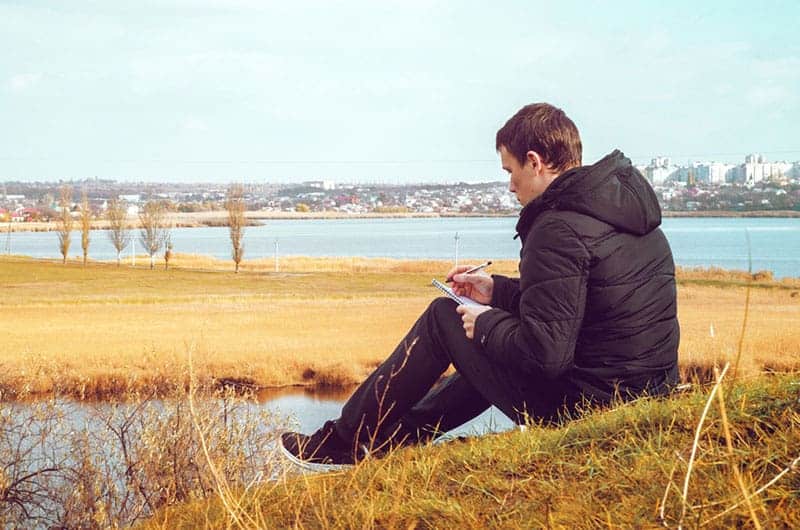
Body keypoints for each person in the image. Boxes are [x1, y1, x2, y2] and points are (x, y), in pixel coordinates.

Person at [280, 102, 680, 469]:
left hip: (587, 410)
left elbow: (546, 355)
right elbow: (576, 306)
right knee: (484, 345)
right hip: (644, 398)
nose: (510, 186)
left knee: (444, 318)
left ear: (535, 162)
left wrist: (485, 325)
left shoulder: (556, 227)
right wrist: (496, 292)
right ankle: (393, 440)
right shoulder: (625, 213)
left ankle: (340, 442)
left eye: (510, 172)